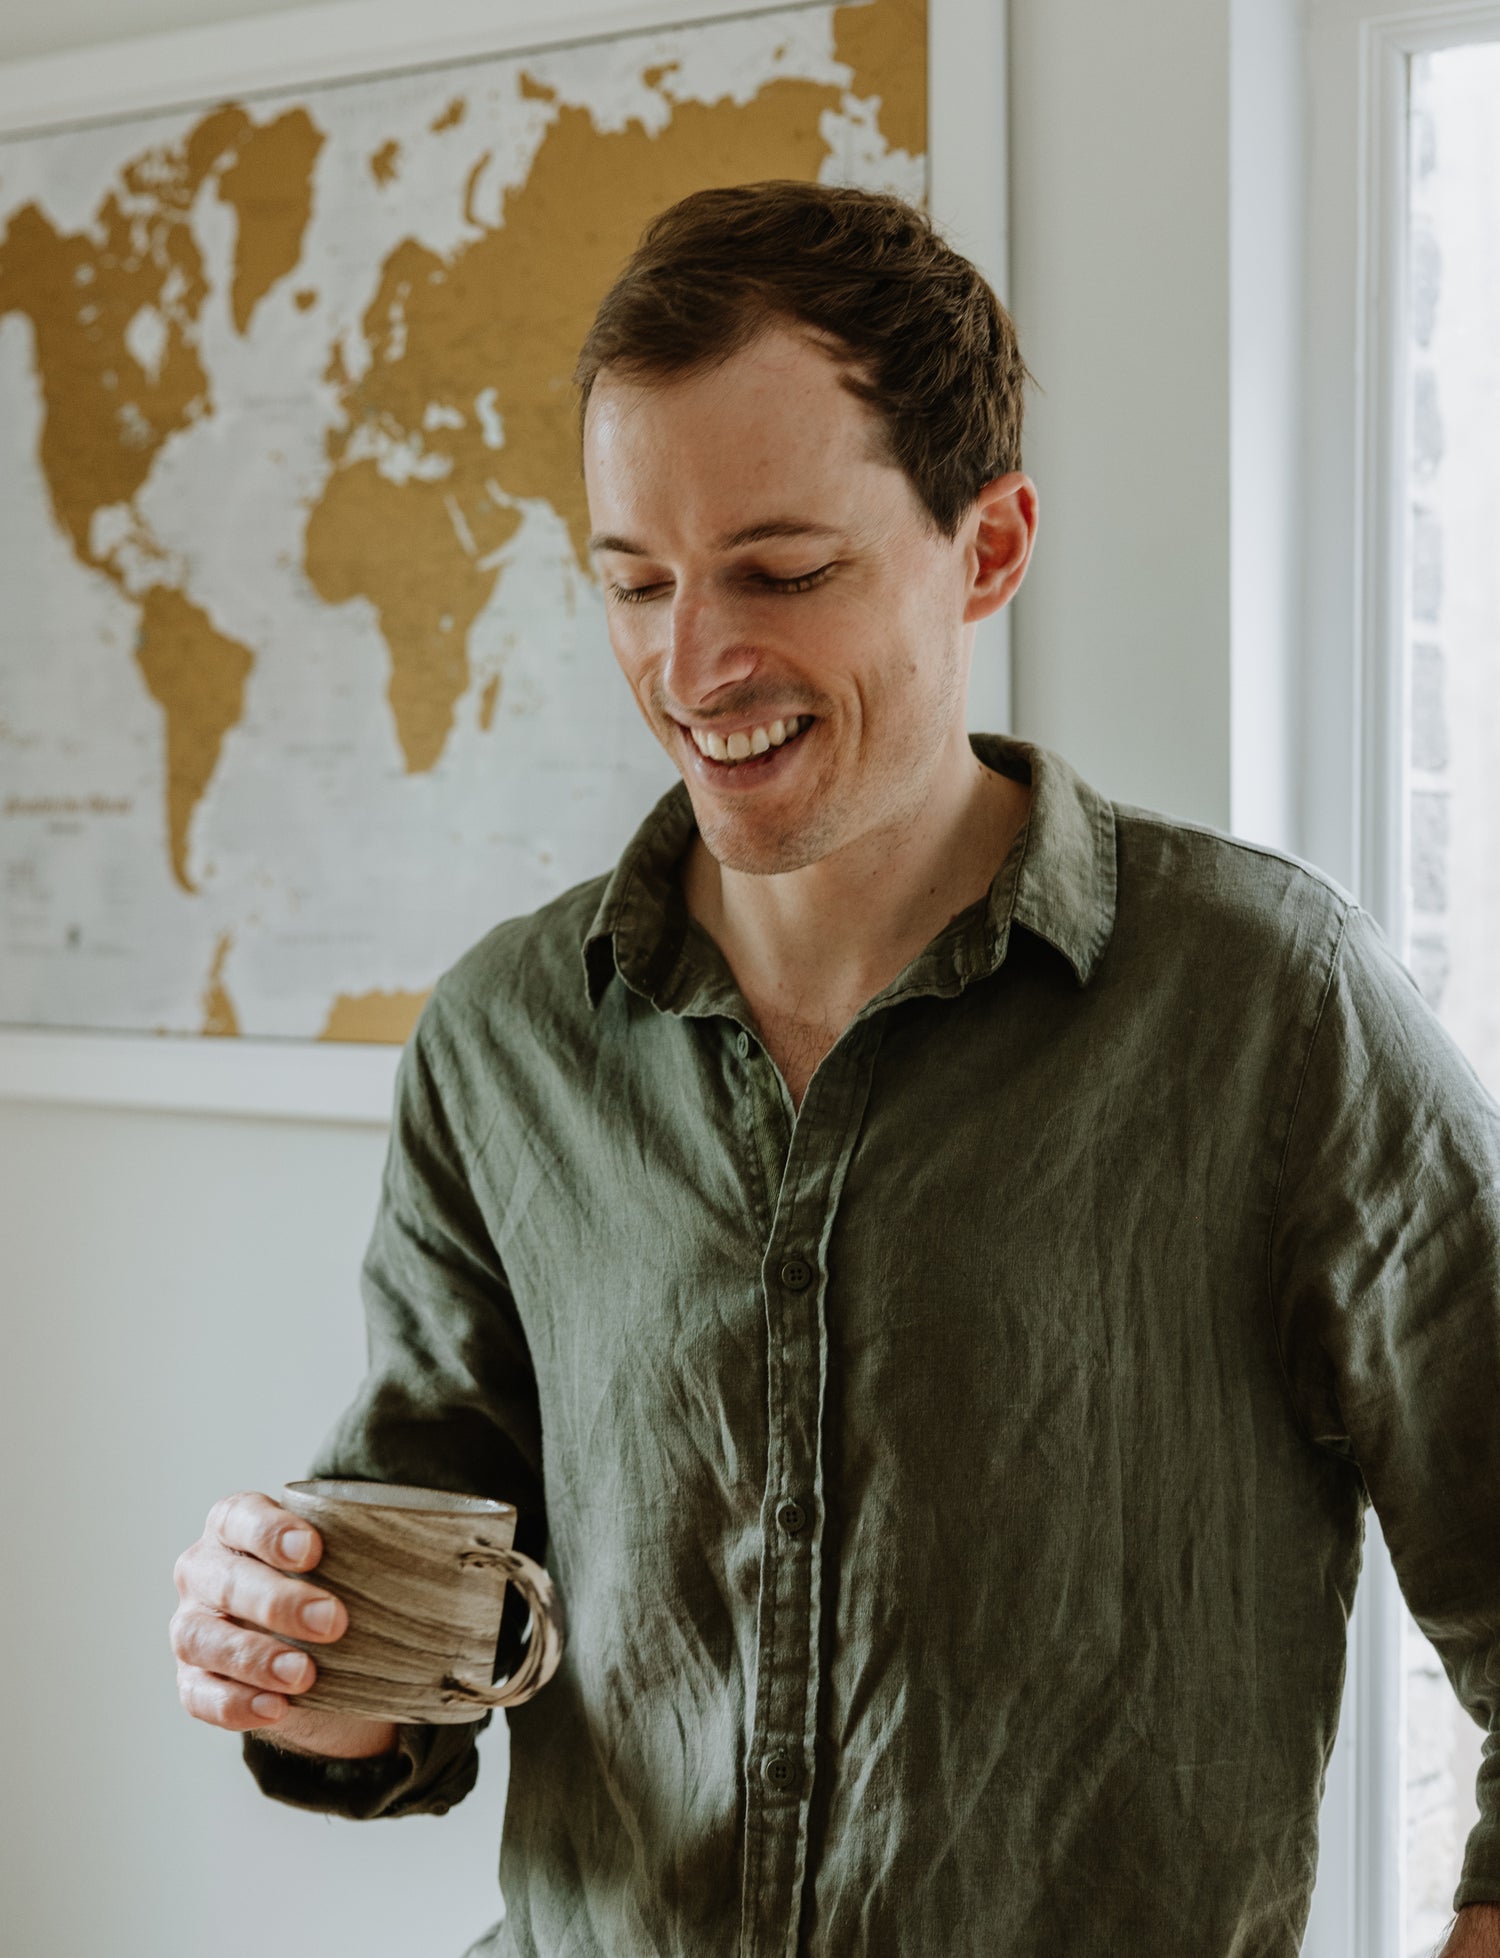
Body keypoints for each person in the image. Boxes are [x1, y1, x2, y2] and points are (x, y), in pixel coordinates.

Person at [169, 181, 1500, 1957]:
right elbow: (418, 1635)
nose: (691, 662)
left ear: (994, 546)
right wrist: (309, 1669)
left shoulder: (1277, 1010)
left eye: (783, 573)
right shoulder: (499, 1038)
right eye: (634, 581)